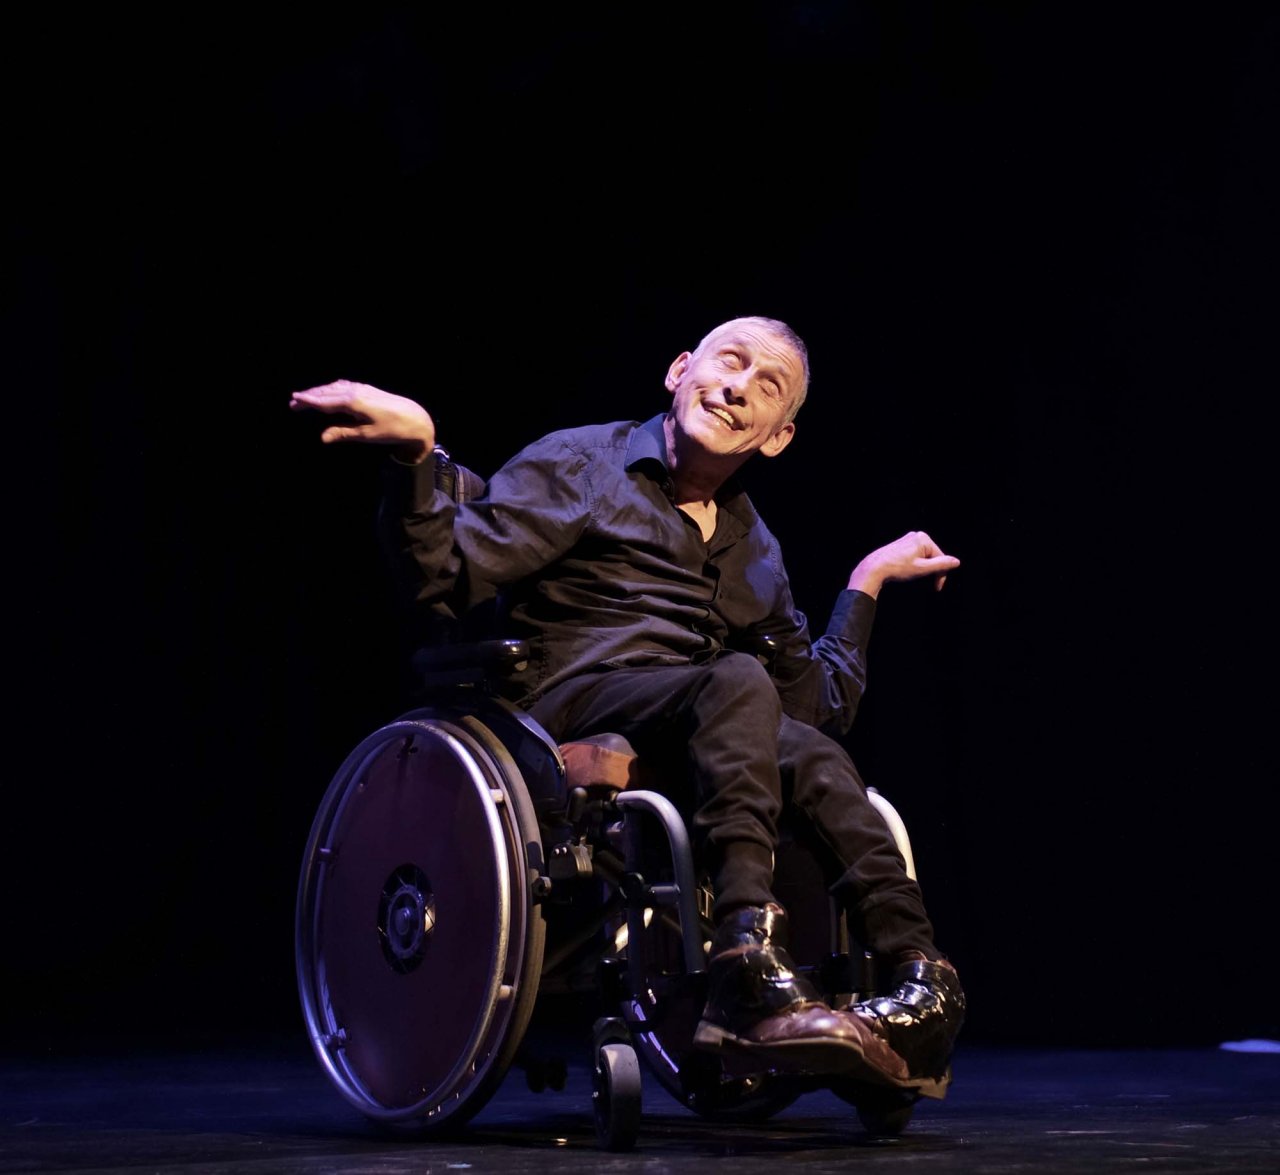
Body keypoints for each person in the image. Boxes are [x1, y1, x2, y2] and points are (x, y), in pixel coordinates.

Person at [290, 315, 965, 1096]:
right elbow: (444, 574)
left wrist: (865, 583)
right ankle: (745, 956)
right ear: (680, 371)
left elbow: (815, 704)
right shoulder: (586, 464)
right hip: (568, 702)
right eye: (729, 363)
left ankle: (922, 982)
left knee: (813, 752)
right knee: (735, 678)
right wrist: (417, 457)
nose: (738, 388)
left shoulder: (755, 547)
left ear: (778, 436)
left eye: (766, 386)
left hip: (700, 714)